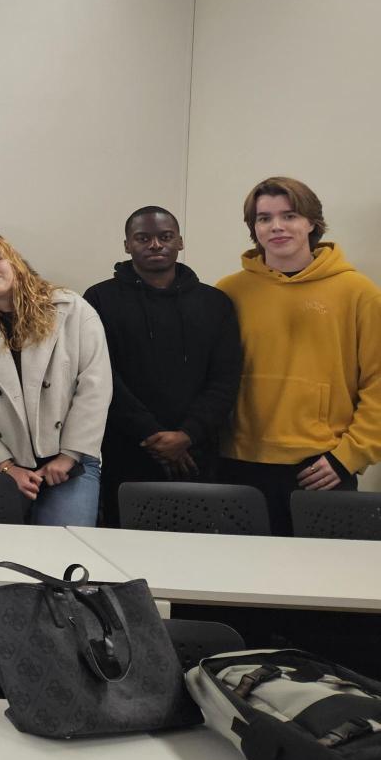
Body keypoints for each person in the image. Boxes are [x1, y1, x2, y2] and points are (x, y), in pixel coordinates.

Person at [215, 177, 381, 535]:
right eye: (264, 218)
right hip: (237, 465)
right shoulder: (228, 292)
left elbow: (378, 384)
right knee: (237, 583)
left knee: (320, 582)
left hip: (322, 469)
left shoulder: (358, 292)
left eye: (289, 215)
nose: (276, 226)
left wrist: (349, 456)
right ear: (253, 228)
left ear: (311, 222)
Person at [83, 207, 242, 526]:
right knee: (123, 550)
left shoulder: (215, 303)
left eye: (165, 237)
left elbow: (225, 379)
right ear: (127, 245)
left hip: (197, 454)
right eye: (143, 238)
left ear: (180, 242)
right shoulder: (99, 298)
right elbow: (99, 375)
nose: (155, 244)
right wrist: (152, 434)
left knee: (194, 552)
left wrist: (187, 434)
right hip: (126, 449)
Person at [0, 233, 111, 526]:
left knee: (63, 555)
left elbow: (95, 387)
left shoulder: (71, 309)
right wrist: (7, 467)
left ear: (15, 262)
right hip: (0, 463)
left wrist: (68, 456)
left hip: (69, 460)